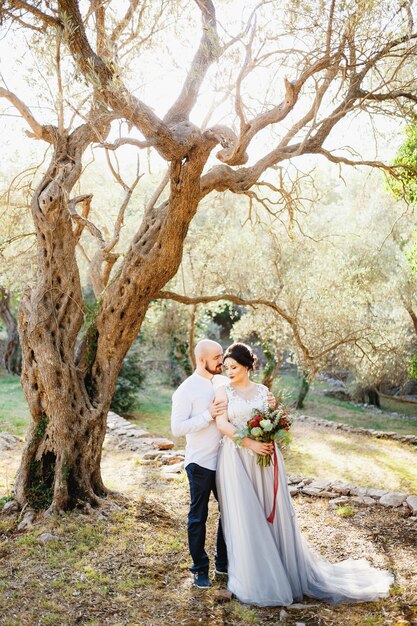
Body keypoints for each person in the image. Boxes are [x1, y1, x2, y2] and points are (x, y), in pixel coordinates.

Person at [214, 342, 394, 606]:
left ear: (247, 366)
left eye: (234, 367)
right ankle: (254, 577)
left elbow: (274, 420)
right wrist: (250, 443)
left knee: (269, 510)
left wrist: (268, 438)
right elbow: (221, 424)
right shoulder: (223, 391)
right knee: (245, 514)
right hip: (236, 458)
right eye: (226, 367)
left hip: (266, 457)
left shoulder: (264, 392)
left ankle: (283, 569)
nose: (229, 371)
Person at [170, 339, 229, 589]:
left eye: (222, 356)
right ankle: (200, 568)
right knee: (199, 516)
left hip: (226, 463)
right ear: (202, 360)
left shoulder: (223, 383)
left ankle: (223, 562)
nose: (222, 361)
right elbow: (177, 428)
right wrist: (208, 415)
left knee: (229, 514)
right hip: (200, 463)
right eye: (217, 357)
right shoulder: (186, 390)